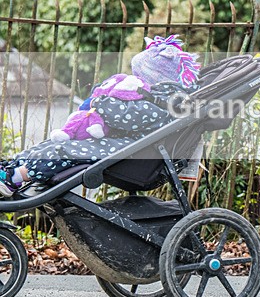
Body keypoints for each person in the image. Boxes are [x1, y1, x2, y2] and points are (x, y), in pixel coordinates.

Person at [0, 36, 200, 196]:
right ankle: (10, 168)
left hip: (125, 152)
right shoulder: (150, 98)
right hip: (114, 144)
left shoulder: (162, 105)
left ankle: (16, 178)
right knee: (49, 144)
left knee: (62, 149)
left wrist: (101, 98)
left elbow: (122, 117)